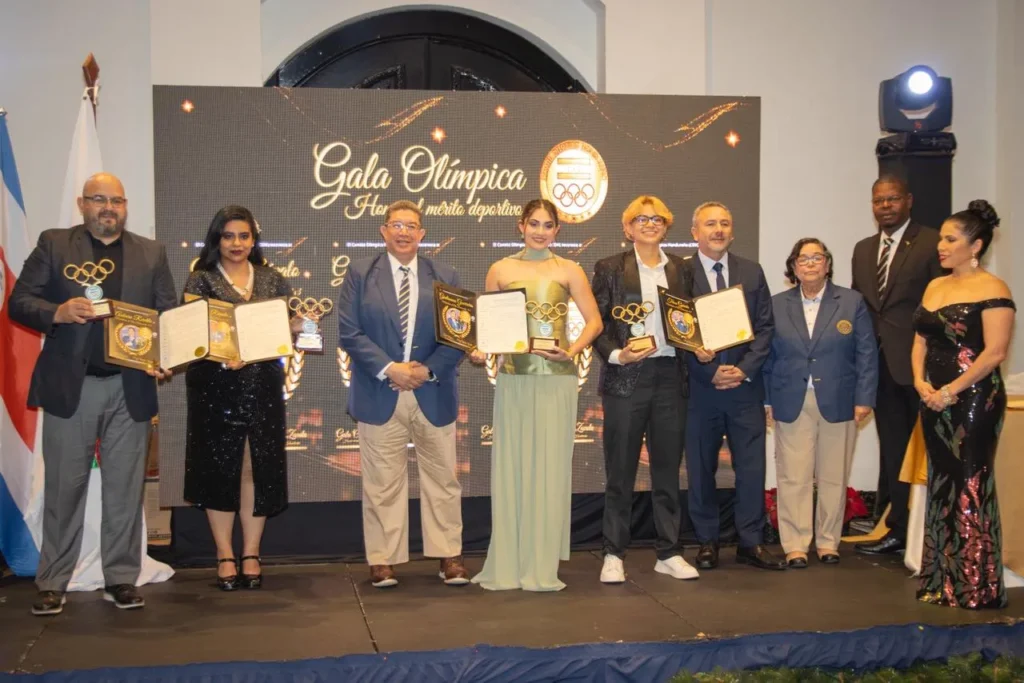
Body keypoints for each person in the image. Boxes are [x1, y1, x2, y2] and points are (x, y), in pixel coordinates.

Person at [8, 172, 176, 615]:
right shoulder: (54, 244)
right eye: (99, 199)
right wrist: (58, 311)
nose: (108, 208)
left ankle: (120, 578)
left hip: (130, 387)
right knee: (64, 489)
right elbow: (19, 302)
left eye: (116, 200)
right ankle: (53, 580)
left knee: (124, 490)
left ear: (125, 206)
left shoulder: (151, 252)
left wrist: (166, 355)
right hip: (72, 387)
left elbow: (167, 316)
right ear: (82, 204)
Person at [470, 198, 602, 591]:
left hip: (557, 380)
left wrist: (572, 351)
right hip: (514, 379)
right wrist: (481, 349)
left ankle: (541, 563)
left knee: (550, 468)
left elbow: (594, 322)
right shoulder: (500, 269)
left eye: (547, 225)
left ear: (557, 230)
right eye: (534, 223)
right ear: (521, 225)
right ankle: (510, 560)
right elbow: (490, 326)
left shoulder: (570, 269)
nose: (540, 231)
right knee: (513, 466)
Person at [337, 200, 467, 588]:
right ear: (384, 231)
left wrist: (425, 370)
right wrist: (391, 369)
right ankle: (383, 559)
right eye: (396, 225)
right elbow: (349, 332)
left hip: (433, 389)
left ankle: (449, 555)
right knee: (382, 483)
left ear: (422, 234)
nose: (404, 232)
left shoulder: (445, 274)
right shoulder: (360, 273)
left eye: (411, 226)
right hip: (380, 389)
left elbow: (458, 334)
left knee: (443, 480)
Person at [182, 205, 303, 591]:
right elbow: (192, 335)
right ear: (217, 239)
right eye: (229, 236)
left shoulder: (272, 278)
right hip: (214, 386)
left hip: (262, 385)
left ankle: (251, 553)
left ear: (254, 240)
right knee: (219, 470)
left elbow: (282, 332)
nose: (237, 243)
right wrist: (226, 354)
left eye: (244, 236)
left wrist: (296, 328)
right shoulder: (200, 280)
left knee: (257, 469)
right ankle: (224, 554)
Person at [591, 195, 708, 583]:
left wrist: (700, 344)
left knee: (667, 470)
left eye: (657, 218)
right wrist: (617, 355)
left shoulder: (681, 269)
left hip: (671, 375)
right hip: (627, 376)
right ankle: (613, 553)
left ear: (666, 226)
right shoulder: (610, 267)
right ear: (628, 228)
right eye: (641, 219)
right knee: (620, 470)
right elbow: (597, 326)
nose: (650, 224)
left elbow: (692, 319)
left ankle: (669, 552)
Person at [912, 200, 1014, 609]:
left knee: (970, 481)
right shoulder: (934, 287)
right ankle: (942, 581)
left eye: (950, 239)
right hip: (932, 398)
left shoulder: (994, 288)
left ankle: (976, 585)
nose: (941, 245)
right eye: (941, 238)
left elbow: (995, 353)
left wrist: (950, 391)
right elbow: (920, 341)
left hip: (974, 399)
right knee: (942, 482)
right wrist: (920, 383)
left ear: (975, 246)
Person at [763, 238, 877, 568]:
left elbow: (867, 353)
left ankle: (828, 542)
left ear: (827, 264)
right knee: (793, 477)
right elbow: (767, 356)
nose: (810, 264)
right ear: (793, 267)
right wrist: (767, 399)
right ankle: (796, 545)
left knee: (833, 476)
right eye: (803, 259)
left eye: (817, 257)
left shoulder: (851, 301)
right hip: (790, 399)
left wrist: (864, 398)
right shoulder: (776, 304)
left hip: (840, 400)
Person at [684, 202, 783, 571]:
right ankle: (707, 541)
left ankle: (751, 542)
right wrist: (709, 372)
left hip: (744, 390)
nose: (718, 230)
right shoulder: (679, 273)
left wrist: (742, 370)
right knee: (700, 470)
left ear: (732, 231)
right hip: (701, 390)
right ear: (695, 232)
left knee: (752, 469)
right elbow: (676, 331)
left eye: (725, 223)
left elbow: (765, 327)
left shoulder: (751, 271)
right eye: (710, 224)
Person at [851, 176, 943, 556]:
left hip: (925, 371)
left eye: (892, 199)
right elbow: (860, 310)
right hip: (880, 368)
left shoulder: (932, 242)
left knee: (930, 452)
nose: (885, 206)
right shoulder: (862, 249)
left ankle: (931, 532)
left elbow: (942, 306)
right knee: (894, 451)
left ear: (908, 200)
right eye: (878, 201)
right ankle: (898, 530)